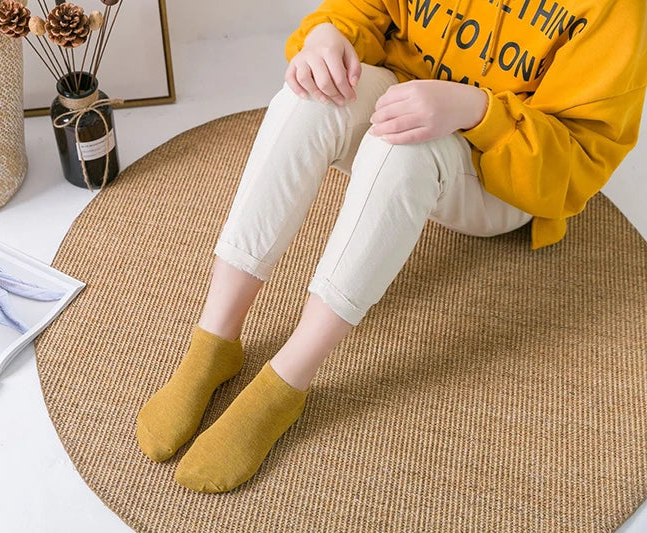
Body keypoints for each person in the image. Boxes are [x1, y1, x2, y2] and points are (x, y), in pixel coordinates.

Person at [137, 0, 647, 493]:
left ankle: (286, 382)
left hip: (504, 179)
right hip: (403, 97)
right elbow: (361, 9)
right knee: (307, 98)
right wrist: (328, 35)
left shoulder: (618, 8)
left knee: (404, 149)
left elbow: (575, 164)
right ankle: (215, 341)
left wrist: (476, 110)